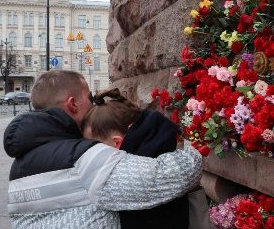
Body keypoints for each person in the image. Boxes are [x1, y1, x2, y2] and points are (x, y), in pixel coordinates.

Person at [3, 70, 202, 229]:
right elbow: (177, 175)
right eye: (88, 97)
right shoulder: (84, 158)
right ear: (73, 104)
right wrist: (196, 139)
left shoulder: (18, 169)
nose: (92, 103)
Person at [82, 88, 212, 229]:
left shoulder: (128, 173)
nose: (92, 152)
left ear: (116, 142)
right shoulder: (159, 143)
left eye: (95, 146)